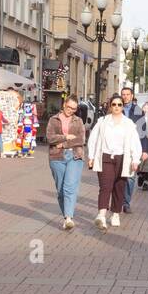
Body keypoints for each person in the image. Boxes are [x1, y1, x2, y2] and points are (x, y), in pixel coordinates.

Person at [86, 94, 142, 231]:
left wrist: (135, 160)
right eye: (114, 104)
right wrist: (91, 156)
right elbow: (93, 139)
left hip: (122, 158)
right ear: (110, 106)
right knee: (106, 186)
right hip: (105, 157)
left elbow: (135, 142)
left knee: (119, 186)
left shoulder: (128, 123)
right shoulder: (102, 121)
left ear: (123, 106)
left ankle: (116, 213)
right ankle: (101, 215)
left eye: (119, 105)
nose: (116, 107)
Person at [46, 96, 87, 231]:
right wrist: (66, 136)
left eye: (74, 109)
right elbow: (50, 137)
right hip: (56, 157)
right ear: (64, 105)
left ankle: (69, 217)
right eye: (69, 107)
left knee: (69, 187)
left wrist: (63, 143)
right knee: (60, 190)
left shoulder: (78, 120)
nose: (71, 111)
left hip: (75, 155)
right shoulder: (53, 119)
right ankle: (66, 217)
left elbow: (81, 139)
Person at [121, 86, 139, 212]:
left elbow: (143, 132)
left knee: (130, 177)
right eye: (123, 94)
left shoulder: (138, 111)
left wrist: (144, 150)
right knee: (117, 176)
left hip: (132, 147)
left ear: (132, 96)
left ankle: (126, 202)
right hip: (118, 148)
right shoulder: (116, 108)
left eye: (127, 94)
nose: (125, 96)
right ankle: (117, 200)